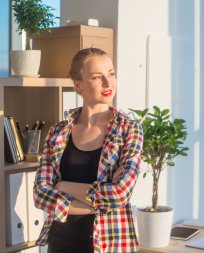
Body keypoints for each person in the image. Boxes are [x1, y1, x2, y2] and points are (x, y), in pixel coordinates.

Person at [33, 48, 143, 253]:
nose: (107, 83)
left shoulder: (129, 129)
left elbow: (119, 195)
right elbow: (40, 194)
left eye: (111, 74)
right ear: (78, 86)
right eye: (97, 77)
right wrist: (99, 204)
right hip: (60, 243)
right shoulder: (57, 132)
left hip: (109, 244)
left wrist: (63, 185)